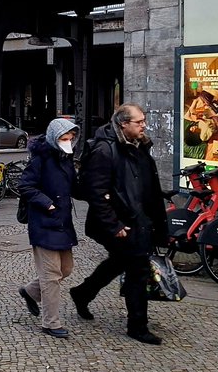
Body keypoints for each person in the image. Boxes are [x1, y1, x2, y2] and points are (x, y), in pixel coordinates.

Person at [69, 103, 168, 345]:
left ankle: (82, 293)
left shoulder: (138, 146)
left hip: (139, 219)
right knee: (138, 270)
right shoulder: (105, 150)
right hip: (121, 223)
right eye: (139, 121)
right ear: (123, 124)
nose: (144, 125)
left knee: (119, 262)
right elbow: (96, 193)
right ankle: (137, 326)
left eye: (143, 120)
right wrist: (114, 225)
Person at [17, 118, 80, 338]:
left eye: (71, 137)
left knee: (66, 269)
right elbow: (25, 185)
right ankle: (51, 323)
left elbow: (74, 186)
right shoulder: (40, 159)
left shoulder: (66, 158)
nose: (68, 141)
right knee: (51, 275)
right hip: (44, 222)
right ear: (55, 138)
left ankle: (29, 291)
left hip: (62, 222)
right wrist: (47, 203)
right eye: (64, 138)